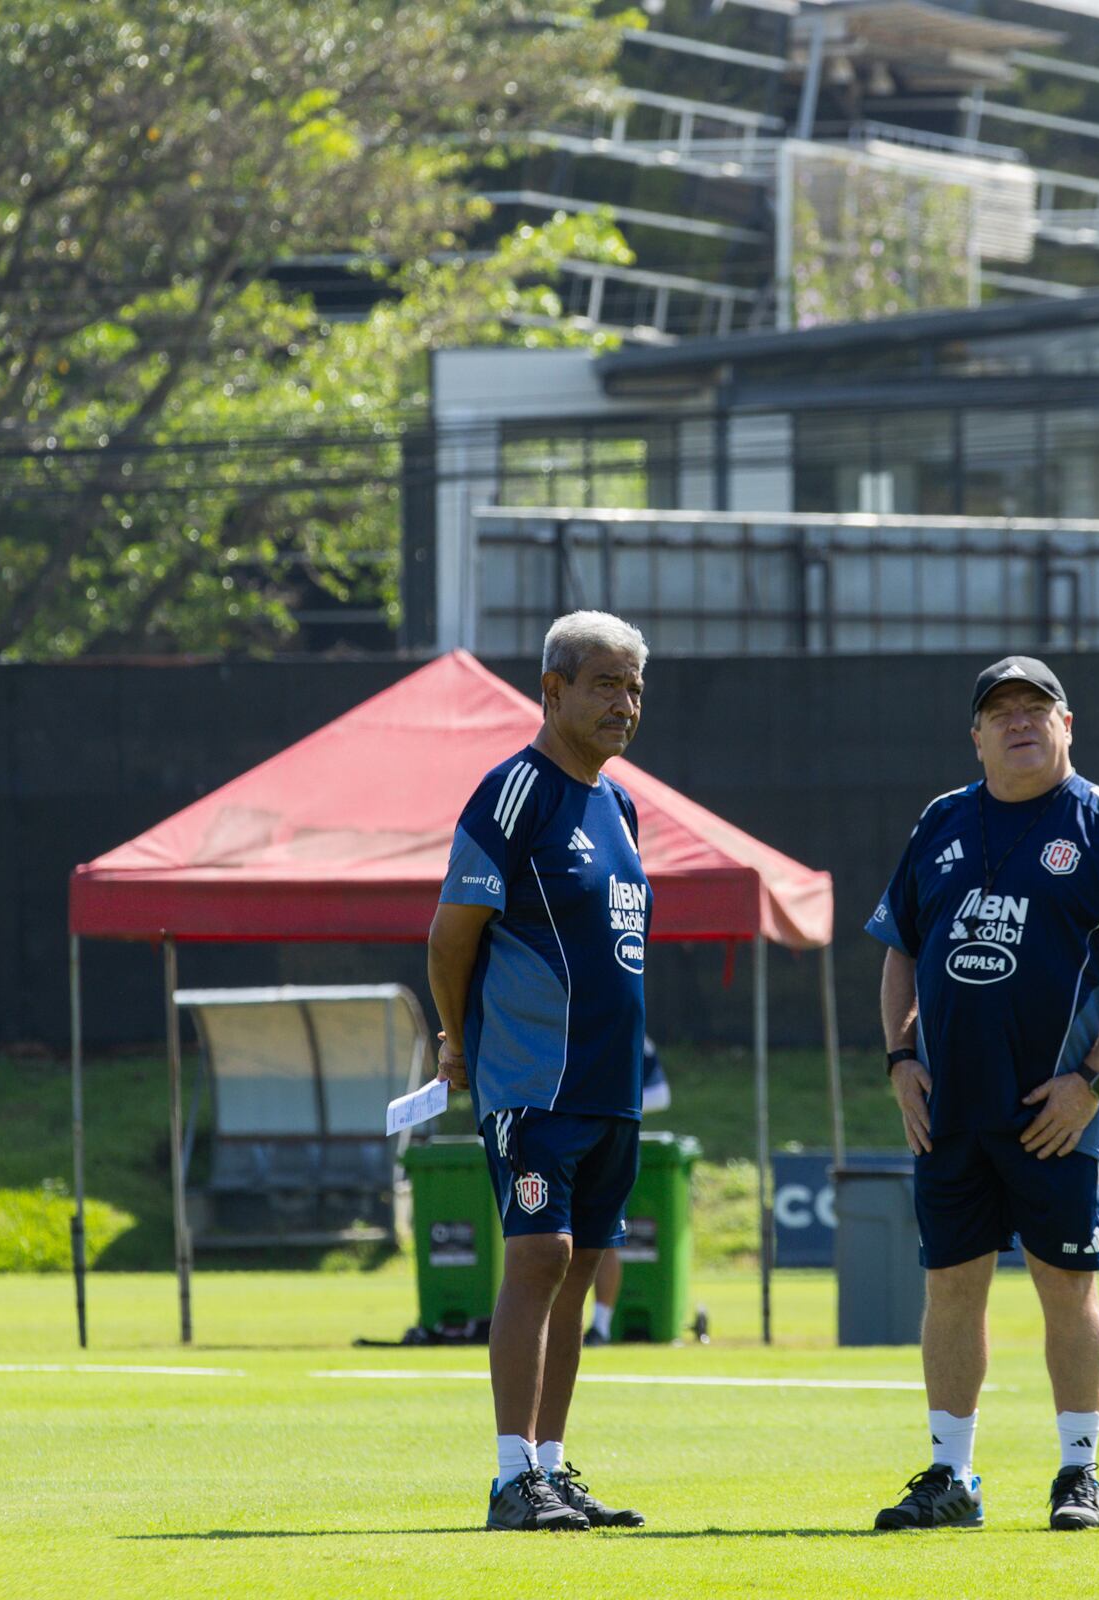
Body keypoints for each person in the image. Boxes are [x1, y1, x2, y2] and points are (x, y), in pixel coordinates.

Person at [864, 655, 1099, 1533]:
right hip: (950, 1109)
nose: (1018, 722)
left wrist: (1091, 1083)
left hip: (1055, 1113)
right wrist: (899, 1058)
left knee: (1066, 1284)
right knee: (950, 1287)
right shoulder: (941, 821)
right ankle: (951, 1476)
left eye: (1036, 708)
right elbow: (900, 949)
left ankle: (1079, 1473)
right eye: (999, 710)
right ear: (975, 735)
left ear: (1066, 725)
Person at [428, 611, 654, 1533]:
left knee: (582, 1264)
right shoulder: (513, 792)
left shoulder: (622, 807)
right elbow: (450, 936)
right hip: (533, 1082)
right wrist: (458, 1042)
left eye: (635, 687)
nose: (625, 704)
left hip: (611, 1089)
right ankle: (510, 1476)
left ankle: (553, 1469)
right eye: (605, 684)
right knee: (540, 1256)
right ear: (553, 691)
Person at [585, 1037, 669, 1347]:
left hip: (606, 1142)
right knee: (548, 1237)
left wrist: (607, 1102)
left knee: (604, 1238)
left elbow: (660, 1095)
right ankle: (552, 1324)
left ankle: (600, 1326)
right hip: (556, 1138)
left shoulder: (632, 1034)